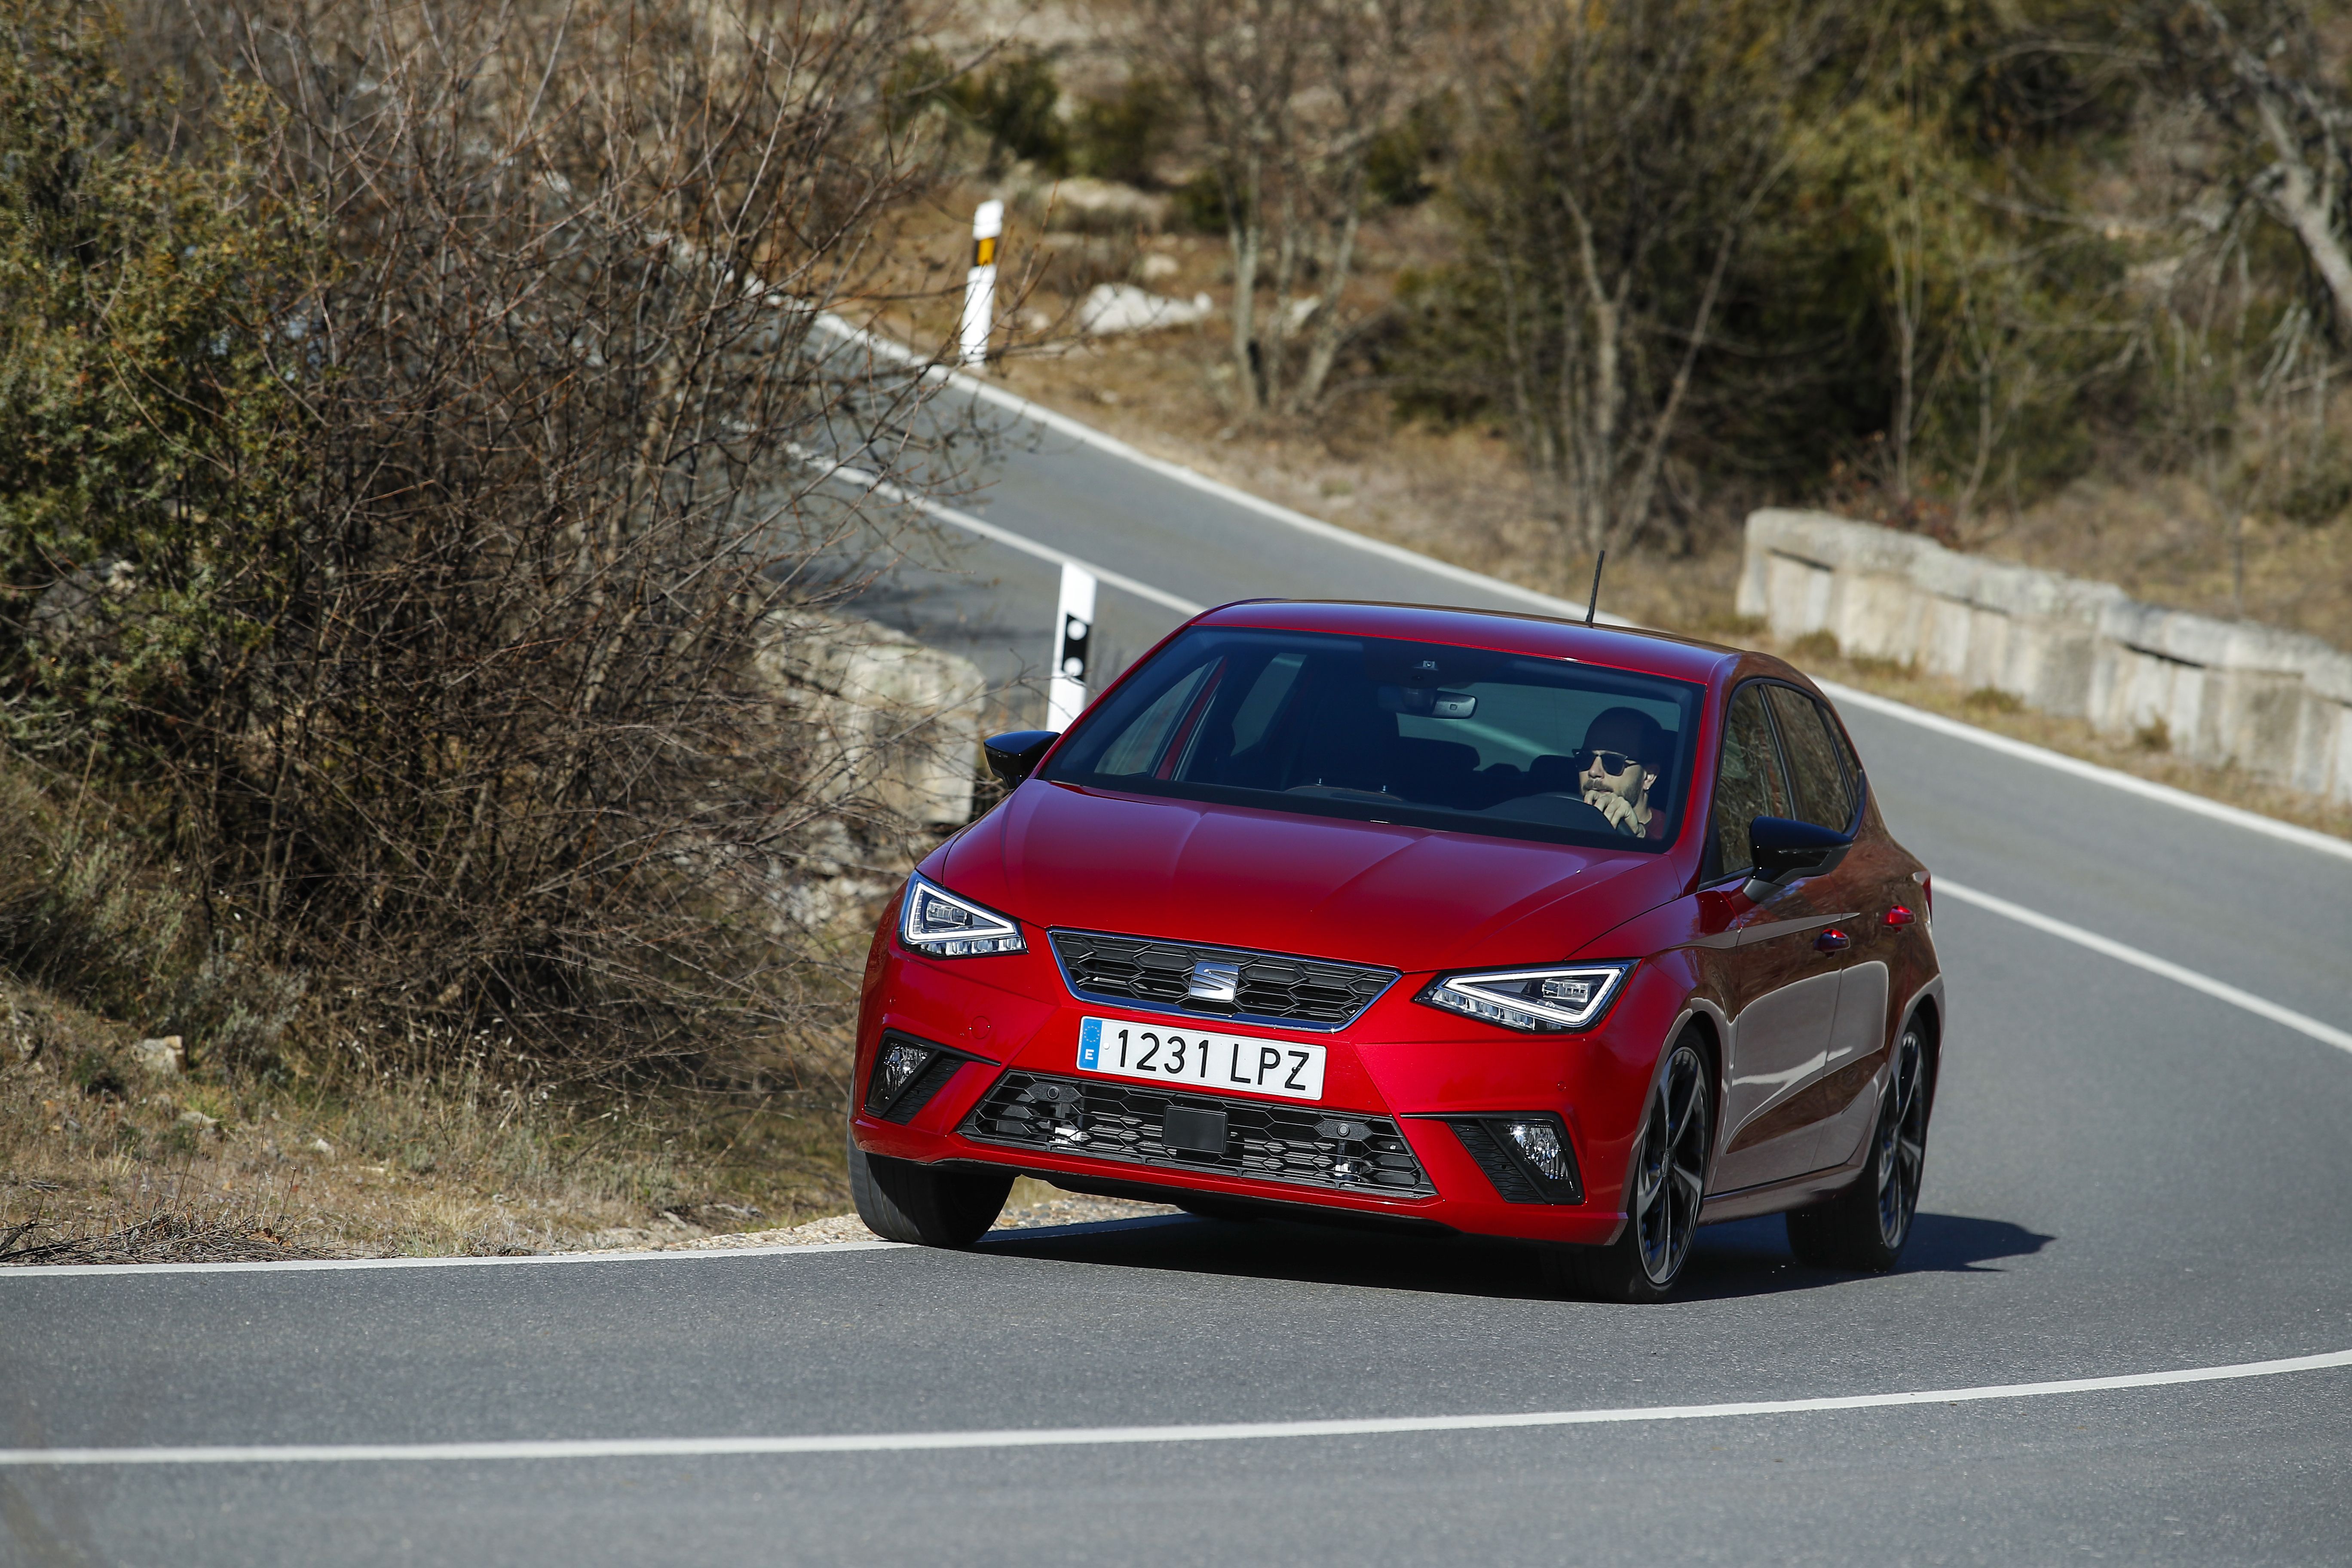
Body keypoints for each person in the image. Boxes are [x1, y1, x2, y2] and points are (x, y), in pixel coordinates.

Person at [1577, 707, 1670, 839]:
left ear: (1648, 777)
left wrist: (1641, 836)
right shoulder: (1558, 820)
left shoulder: (1672, 838)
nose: (1593, 772)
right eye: (1585, 759)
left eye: (1613, 762)